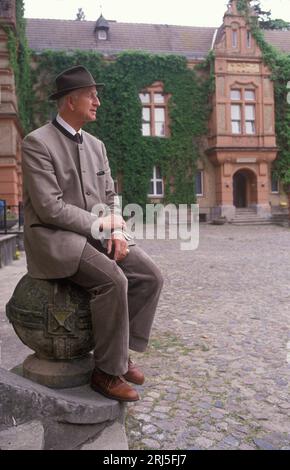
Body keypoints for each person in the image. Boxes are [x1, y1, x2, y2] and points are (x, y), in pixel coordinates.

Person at [22, 65, 164, 402]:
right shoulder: (36, 143)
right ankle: (105, 372)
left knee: (150, 276)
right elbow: (49, 208)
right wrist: (102, 226)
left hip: (98, 233)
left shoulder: (97, 145)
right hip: (54, 239)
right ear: (71, 100)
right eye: (91, 94)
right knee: (114, 280)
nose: (97, 101)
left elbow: (110, 196)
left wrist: (117, 230)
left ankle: (119, 354)